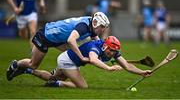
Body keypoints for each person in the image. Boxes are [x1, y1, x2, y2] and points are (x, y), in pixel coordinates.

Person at [10, 36, 152, 88]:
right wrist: (108, 68)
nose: (112, 54)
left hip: (69, 59)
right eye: (111, 51)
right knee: (82, 87)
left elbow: (126, 65)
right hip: (67, 61)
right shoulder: (95, 47)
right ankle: (56, 84)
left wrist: (141, 72)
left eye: (115, 52)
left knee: (52, 76)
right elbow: (92, 59)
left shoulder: (112, 52)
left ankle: (27, 70)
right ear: (105, 46)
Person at [6, 12, 110, 81]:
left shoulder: (91, 25)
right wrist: (82, 57)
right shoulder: (84, 26)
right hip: (45, 36)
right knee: (33, 64)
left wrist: (105, 53)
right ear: (96, 23)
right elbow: (71, 40)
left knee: (72, 58)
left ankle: (55, 73)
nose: (103, 30)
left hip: (59, 40)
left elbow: (97, 43)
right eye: (102, 27)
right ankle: (15, 65)